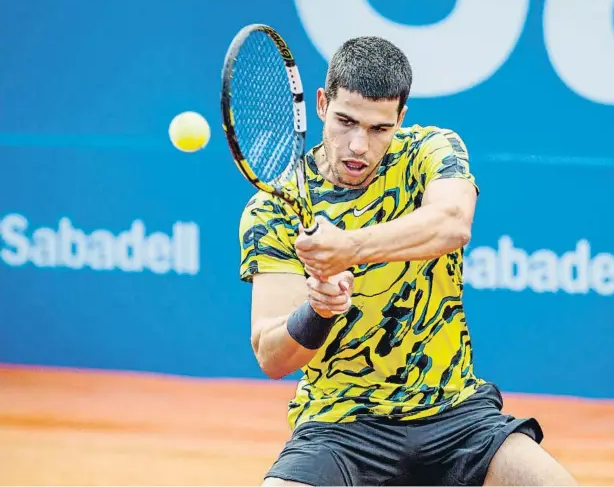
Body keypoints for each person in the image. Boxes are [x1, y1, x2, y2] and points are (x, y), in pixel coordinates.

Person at [238, 36, 578, 486]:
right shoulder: (273, 209)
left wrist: (350, 248)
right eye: (345, 121)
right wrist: (317, 311)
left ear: (401, 117)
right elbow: (271, 356)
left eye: (379, 128)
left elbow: (453, 222)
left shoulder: (430, 151)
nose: (358, 144)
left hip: (455, 415)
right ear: (321, 105)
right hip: (341, 424)